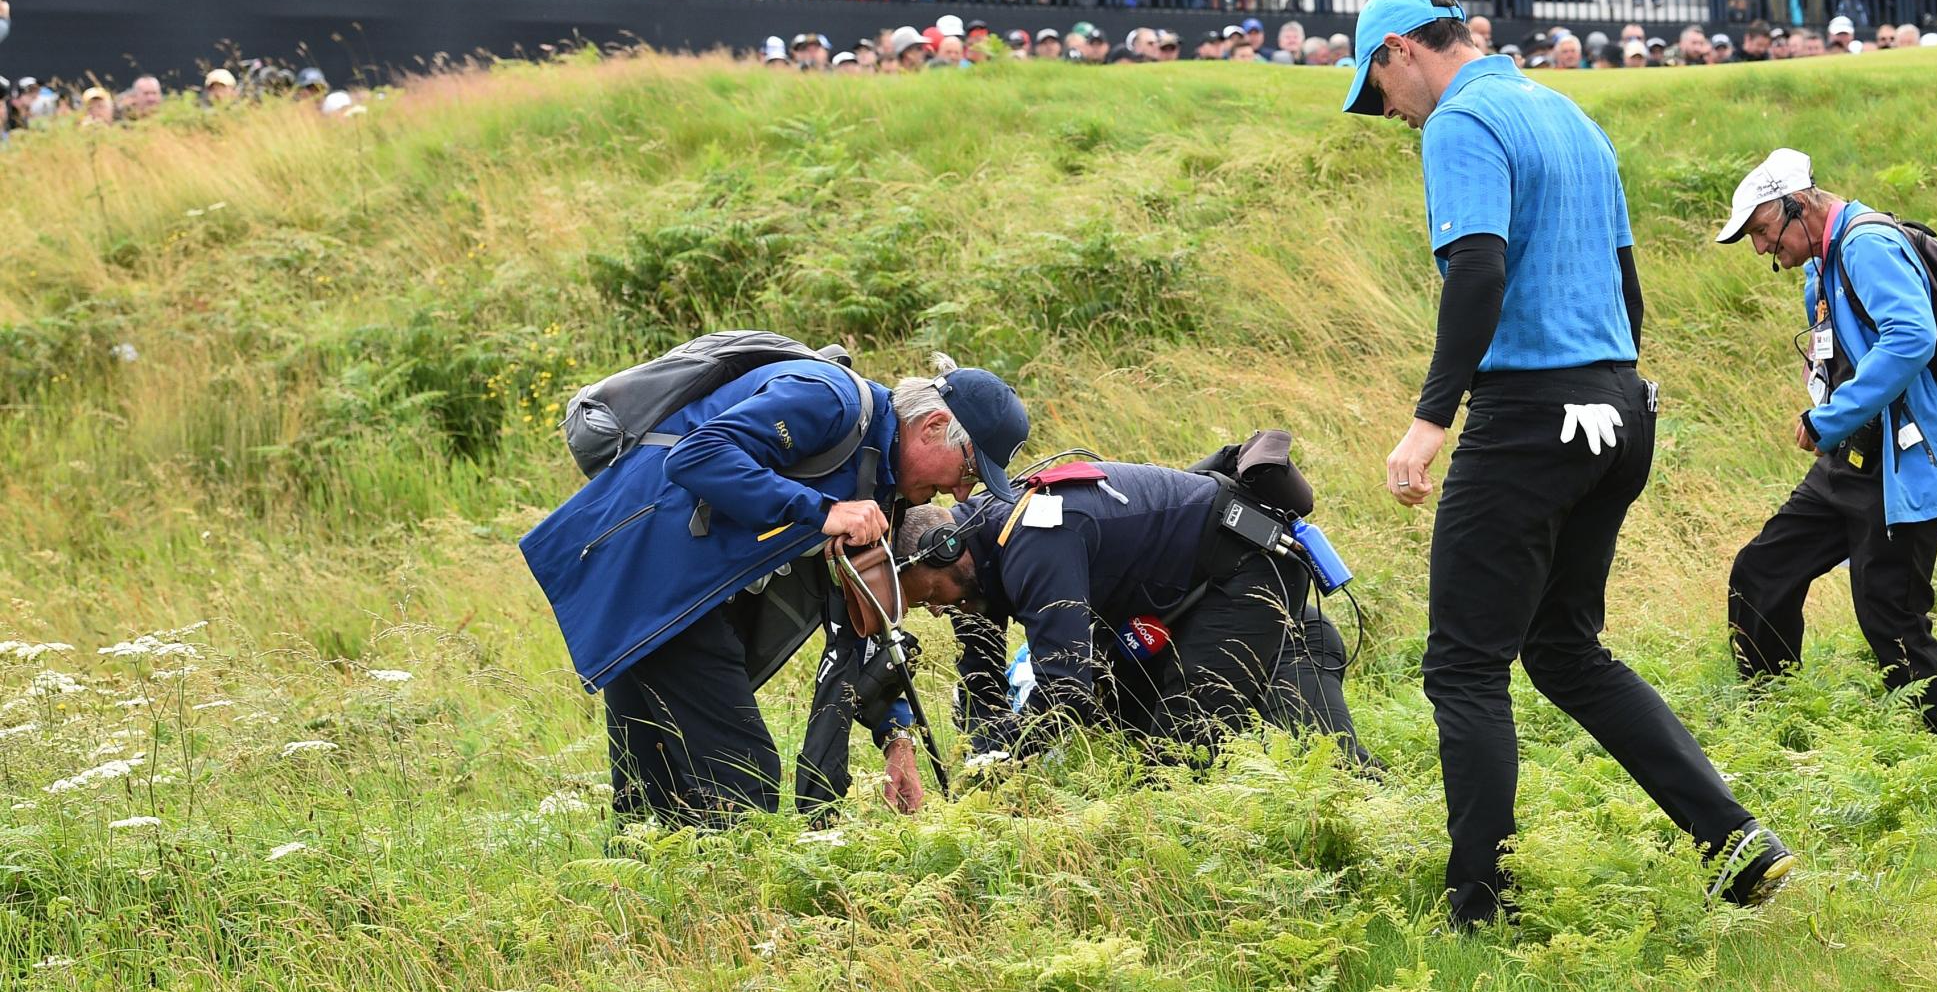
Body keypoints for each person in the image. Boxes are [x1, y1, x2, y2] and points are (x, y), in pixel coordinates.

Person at [1343, 0, 1794, 925]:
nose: (1385, 110)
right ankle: (1738, 843)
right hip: (1619, 408)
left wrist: (1432, 420)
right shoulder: (1570, 115)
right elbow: (1628, 290)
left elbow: (1477, 268)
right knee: (1564, 649)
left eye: (1375, 87)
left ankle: (1478, 912)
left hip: (1529, 418)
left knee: (1464, 667)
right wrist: (1606, 392)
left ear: (1399, 52)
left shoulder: (1461, 123)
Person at [521, 357, 1031, 826]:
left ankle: (651, 916)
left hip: (674, 599)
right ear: (934, 427)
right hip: (650, 583)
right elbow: (696, 455)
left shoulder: (878, 481)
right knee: (743, 784)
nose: (963, 493)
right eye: (969, 470)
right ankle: (732, 914)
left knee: (650, 795)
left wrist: (895, 736)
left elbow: (865, 616)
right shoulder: (831, 400)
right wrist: (821, 511)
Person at [897, 441, 1368, 765]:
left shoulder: (1035, 542)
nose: (938, 609)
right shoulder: (972, 552)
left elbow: (1067, 692)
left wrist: (1005, 747)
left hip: (1246, 568)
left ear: (946, 546)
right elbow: (982, 683)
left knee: (1180, 754)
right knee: (1128, 733)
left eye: (934, 594)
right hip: (1178, 598)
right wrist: (984, 751)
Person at [1715, 150, 1937, 737]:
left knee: (1890, 617)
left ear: (1796, 205)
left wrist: (1829, 417)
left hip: (1903, 464)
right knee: (1762, 572)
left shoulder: (1864, 246)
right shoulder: (1822, 264)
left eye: (1762, 231)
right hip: (1851, 460)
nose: (1761, 249)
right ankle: (1778, 729)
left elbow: (1911, 339)